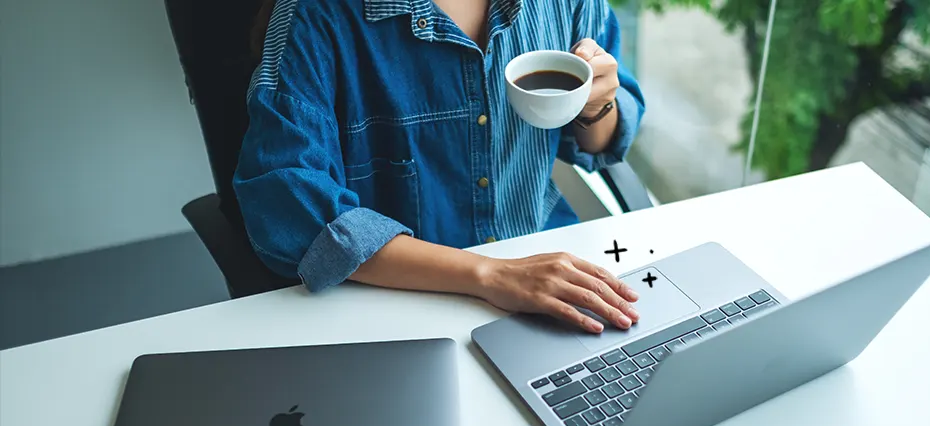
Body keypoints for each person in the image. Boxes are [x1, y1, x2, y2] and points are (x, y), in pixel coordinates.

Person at [236, 0, 647, 333]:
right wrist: (491, 275)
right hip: (400, 304)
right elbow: (292, 210)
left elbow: (602, 142)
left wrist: (597, 104)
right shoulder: (315, 17)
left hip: (549, 271)